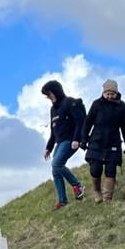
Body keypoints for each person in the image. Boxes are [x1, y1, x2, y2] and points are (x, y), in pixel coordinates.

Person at [80, 79, 125, 202]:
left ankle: (107, 199)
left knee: (111, 171)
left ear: (116, 93)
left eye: (112, 94)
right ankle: (97, 191)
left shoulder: (121, 106)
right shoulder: (96, 104)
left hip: (113, 143)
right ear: (103, 93)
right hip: (96, 142)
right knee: (95, 169)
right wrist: (83, 139)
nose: (110, 96)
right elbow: (88, 123)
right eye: (107, 93)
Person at [41, 80, 86, 209]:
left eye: (49, 94)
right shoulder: (52, 110)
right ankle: (62, 200)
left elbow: (80, 122)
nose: (48, 97)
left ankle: (77, 185)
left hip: (70, 140)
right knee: (55, 170)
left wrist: (77, 139)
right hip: (59, 142)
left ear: (56, 92)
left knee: (57, 164)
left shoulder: (69, 102)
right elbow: (53, 131)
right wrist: (49, 147)